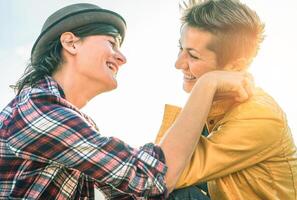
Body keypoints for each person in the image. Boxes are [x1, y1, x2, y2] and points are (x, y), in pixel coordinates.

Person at [0, 3, 252, 200]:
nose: (122, 58)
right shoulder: (37, 109)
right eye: (112, 43)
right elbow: (152, 178)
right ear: (70, 43)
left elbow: (133, 191)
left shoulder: (70, 122)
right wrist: (207, 85)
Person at [155, 0, 297, 199]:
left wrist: (206, 84)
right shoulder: (215, 111)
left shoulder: (258, 116)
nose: (178, 63)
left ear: (234, 65)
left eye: (193, 56)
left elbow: (160, 175)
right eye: (181, 48)